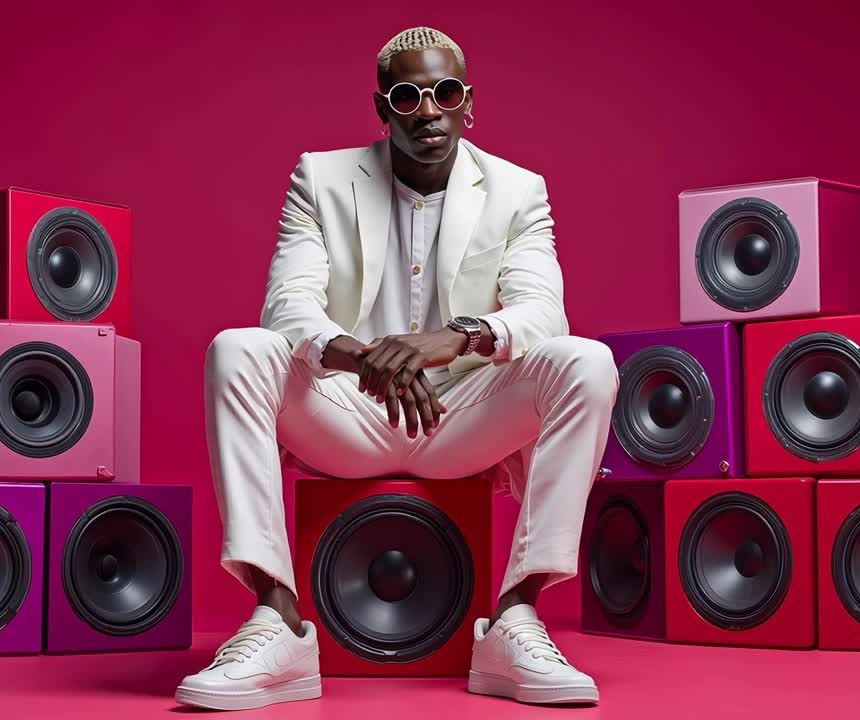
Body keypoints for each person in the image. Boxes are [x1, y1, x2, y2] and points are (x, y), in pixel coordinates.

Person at [176, 26, 618, 711]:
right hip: (348, 413)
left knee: (586, 361)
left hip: (461, 420)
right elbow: (288, 305)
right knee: (238, 347)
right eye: (408, 97)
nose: (429, 112)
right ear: (383, 109)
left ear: (469, 103)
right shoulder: (320, 178)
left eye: (446, 93)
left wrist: (453, 339)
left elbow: (542, 313)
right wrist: (364, 357)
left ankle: (516, 618)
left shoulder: (517, 190)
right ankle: (277, 621)